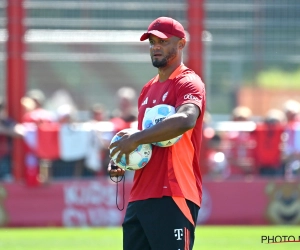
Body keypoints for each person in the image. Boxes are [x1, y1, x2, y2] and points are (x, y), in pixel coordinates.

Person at [109, 17, 206, 250]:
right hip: (140, 195)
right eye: (152, 41)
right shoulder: (147, 89)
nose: (155, 47)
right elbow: (148, 141)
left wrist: (135, 138)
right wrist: (127, 157)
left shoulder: (188, 82)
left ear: (181, 44)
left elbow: (186, 119)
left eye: (162, 41)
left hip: (174, 192)